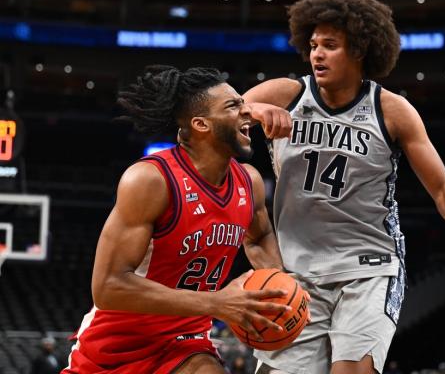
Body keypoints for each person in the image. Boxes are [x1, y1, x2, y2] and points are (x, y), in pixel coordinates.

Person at [244, 0, 445, 374]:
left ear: (360, 50)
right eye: (313, 45)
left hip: (369, 266)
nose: (317, 55)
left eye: (330, 45)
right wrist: (251, 109)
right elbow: (216, 116)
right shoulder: (285, 94)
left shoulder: (391, 110)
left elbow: (443, 187)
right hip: (295, 270)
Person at [63, 66, 292, 374]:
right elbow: (107, 287)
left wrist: (279, 285)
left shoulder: (248, 182)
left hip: (186, 341)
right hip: (115, 345)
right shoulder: (151, 180)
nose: (248, 112)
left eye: (243, 103)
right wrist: (217, 303)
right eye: (233, 106)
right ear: (201, 124)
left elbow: (260, 236)